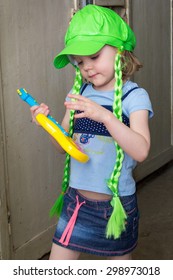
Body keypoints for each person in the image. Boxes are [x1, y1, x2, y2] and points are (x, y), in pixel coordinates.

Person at [30, 5, 153, 260]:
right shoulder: (79, 95)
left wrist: (105, 116)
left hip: (115, 208)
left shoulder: (135, 97)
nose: (86, 67)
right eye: (80, 61)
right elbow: (63, 146)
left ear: (120, 51)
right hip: (76, 203)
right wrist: (47, 125)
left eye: (94, 56)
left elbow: (141, 151)